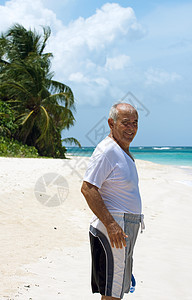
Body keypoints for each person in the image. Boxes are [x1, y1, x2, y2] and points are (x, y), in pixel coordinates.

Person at [81, 102, 144, 300]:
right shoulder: (107, 150)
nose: (131, 128)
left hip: (123, 229)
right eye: (125, 123)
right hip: (114, 230)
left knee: (115, 292)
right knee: (111, 295)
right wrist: (111, 225)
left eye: (135, 123)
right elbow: (88, 188)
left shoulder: (123, 151)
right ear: (111, 123)